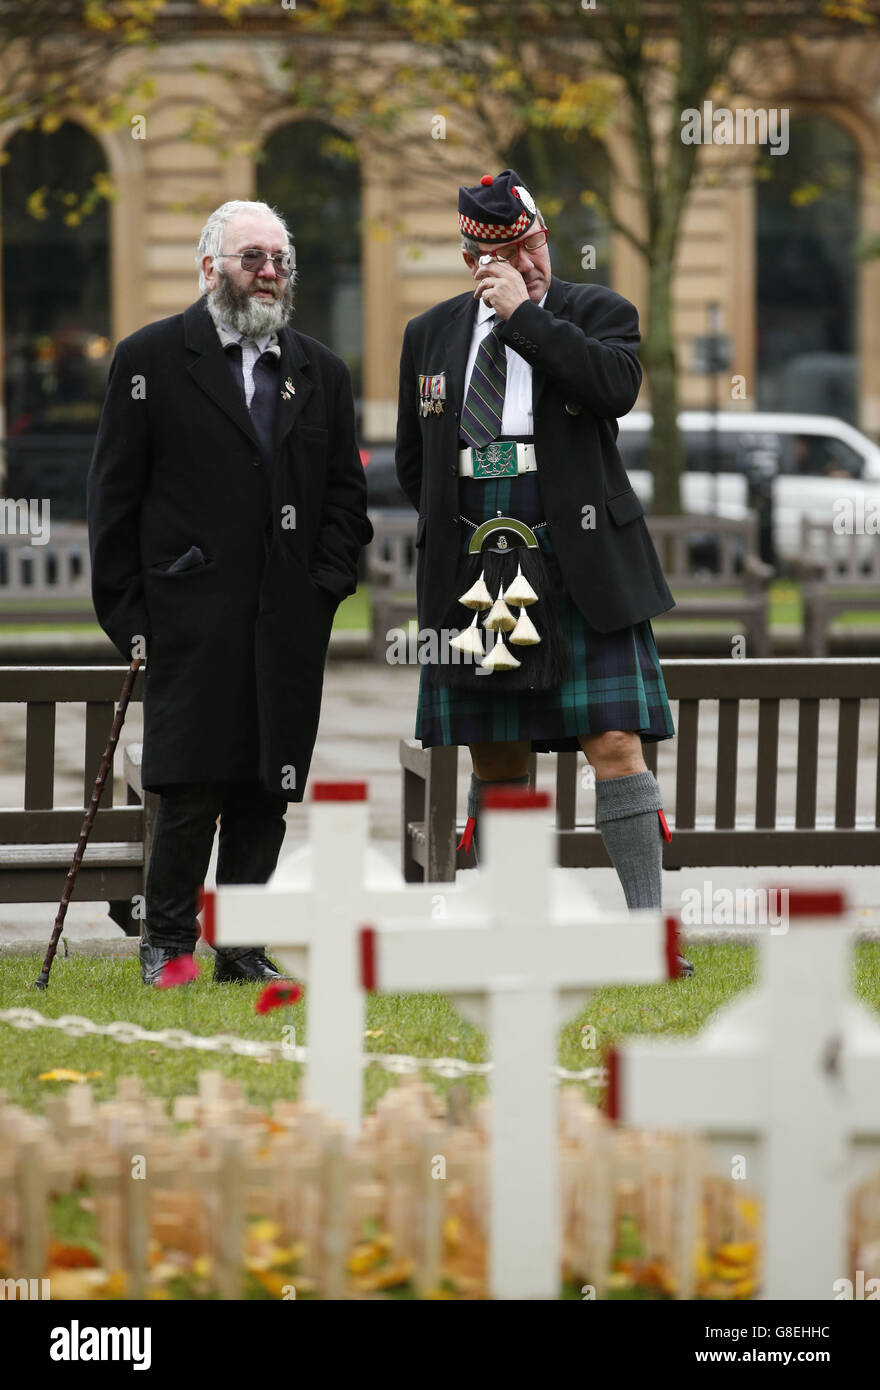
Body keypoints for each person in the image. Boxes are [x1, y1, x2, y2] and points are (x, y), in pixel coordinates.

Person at [395, 170, 691, 971]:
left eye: (532, 245)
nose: (527, 261)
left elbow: (612, 390)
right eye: (504, 254)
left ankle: (645, 934)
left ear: (543, 237)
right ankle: (508, 929)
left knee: (614, 739)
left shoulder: (596, 314)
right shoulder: (430, 334)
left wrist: (525, 317)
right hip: (478, 555)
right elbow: (412, 460)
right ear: (470, 258)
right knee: (497, 750)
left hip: (580, 550)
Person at [88, 199, 372, 985]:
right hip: (187, 619)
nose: (270, 272)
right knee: (189, 786)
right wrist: (133, 619)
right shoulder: (148, 360)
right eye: (253, 257)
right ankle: (168, 946)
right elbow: (113, 501)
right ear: (210, 267)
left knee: (267, 787)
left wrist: (323, 592)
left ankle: (242, 945)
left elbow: (346, 502)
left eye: (279, 259)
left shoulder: (321, 371)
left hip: (287, 621)